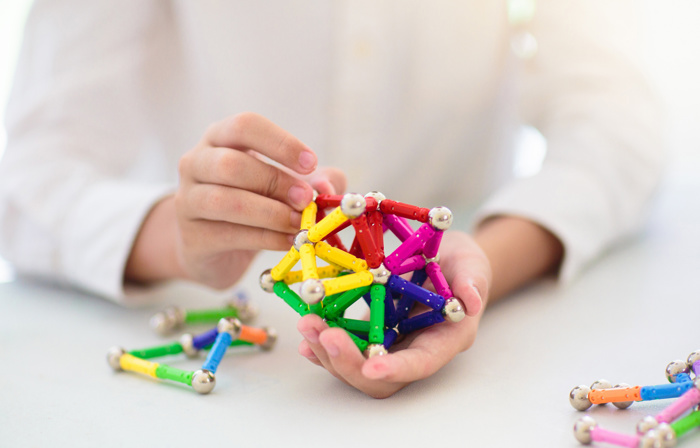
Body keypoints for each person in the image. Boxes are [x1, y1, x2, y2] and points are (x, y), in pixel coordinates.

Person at [0, 1, 664, 398]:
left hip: (475, 349)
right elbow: (29, 177)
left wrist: (475, 263)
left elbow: (620, 119)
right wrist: (179, 237)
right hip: (202, 362)